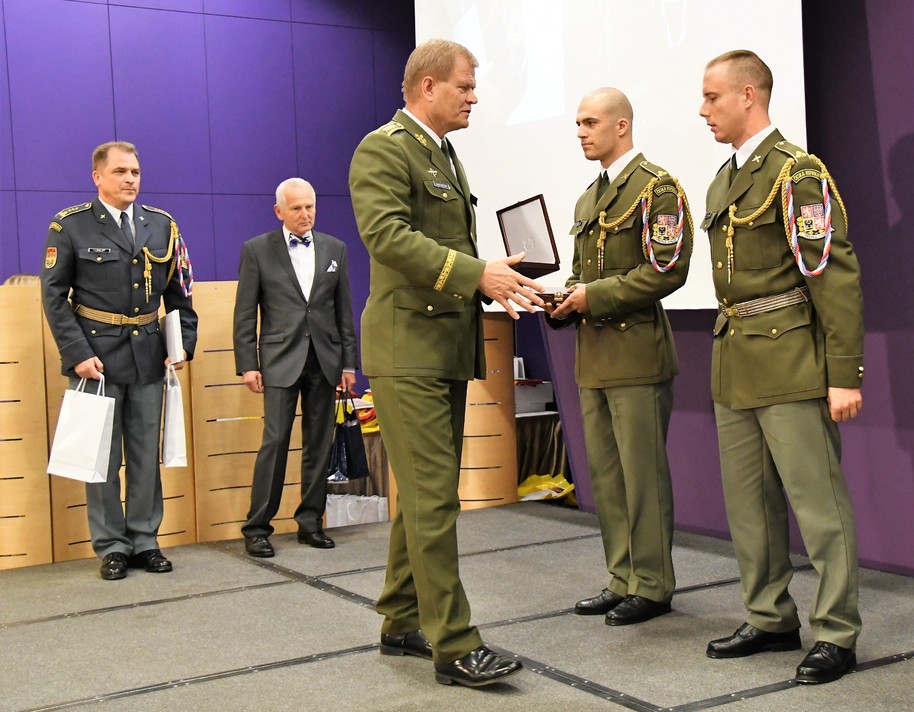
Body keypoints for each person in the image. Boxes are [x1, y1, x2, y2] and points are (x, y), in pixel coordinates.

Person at [348, 38, 543, 688]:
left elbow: (440, 247)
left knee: (423, 496)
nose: (474, 97)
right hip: (408, 350)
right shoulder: (384, 148)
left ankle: (401, 618)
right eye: (465, 86)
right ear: (427, 86)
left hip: (439, 349)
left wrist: (490, 275)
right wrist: (476, 273)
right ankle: (455, 645)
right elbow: (387, 236)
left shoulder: (442, 154)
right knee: (434, 498)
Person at [698, 50, 864, 685]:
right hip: (735, 360)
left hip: (790, 358)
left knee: (819, 507)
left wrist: (843, 373)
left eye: (713, 96)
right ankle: (769, 616)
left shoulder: (796, 173)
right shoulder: (724, 180)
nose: (703, 109)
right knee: (750, 506)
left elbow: (833, 276)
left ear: (749, 95)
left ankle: (837, 631)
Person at [545, 88, 692, 626]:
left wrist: (594, 296)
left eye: (590, 122)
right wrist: (564, 300)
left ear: (621, 126)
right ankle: (621, 577)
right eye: (578, 123)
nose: (581, 132)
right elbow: (582, 274)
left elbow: (667, 270)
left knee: (642, 475)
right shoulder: (589, 198)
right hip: (595, 357)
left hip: (636, 354)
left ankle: (652, 584)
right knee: (607, 477)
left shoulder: (658, 188)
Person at [40, 141, 198, 581]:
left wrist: (181, 344)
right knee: (102, 460)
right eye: (120, 172)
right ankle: (111, 546)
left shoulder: (162, 225)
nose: (130, 179)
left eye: (135, 172)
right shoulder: (70, 226)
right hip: (96, 358)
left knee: (146, 455)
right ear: (97, 177)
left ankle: (145, 540)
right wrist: (77, 354)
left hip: (148, 356)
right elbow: (53, 296)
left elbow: (181, 293)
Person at [233, 178, 358, 558]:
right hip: (278, 361)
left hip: (325, 359)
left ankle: (310, 523)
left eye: (310, 207)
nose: (305, 214)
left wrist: (349, 362)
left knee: (319, 444)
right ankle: (257, 528)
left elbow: (344, 311)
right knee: (275, 442)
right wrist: (247, 365)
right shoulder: (256, 250)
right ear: (279, 211)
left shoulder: (335, 248)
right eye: (297, 208)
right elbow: (245, 313)